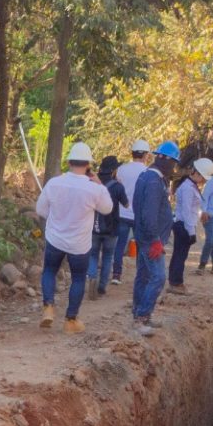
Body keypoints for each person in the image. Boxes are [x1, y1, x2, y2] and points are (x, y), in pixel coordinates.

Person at [35, 142, 113, 332]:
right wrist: (100, 185)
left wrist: (56, 220)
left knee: (49, 271)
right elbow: (107, 208)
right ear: (88, 165)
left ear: (69, 162)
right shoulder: (94, 189)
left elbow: (40, 210)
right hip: (79, 244)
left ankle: (48, 307)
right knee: (78, 278)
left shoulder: (54, 183)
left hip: (55, 239)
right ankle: (70, 320)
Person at [129, 141, 177, 336]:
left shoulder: (146, 176)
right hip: (150, 239)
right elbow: (149, 214)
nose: (173, 167)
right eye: (173, 162)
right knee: (158, 277)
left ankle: (139, 315)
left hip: (144, 235)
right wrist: (155, 239)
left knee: (144, 275)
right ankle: (142, 317)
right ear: (165, 159)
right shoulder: (154, 182)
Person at [87, 155, 130, 299]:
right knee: (107, 256)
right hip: (112, 228)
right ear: (113, 170)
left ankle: (92, 277)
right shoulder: (117, 186)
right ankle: (101, 287)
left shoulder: (91, 182)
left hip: (93, 226)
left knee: (93, 255)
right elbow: (126, 205)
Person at [168, 158, 213, 293]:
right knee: (180, 255)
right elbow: (187, 211)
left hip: (185, 224)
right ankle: (176, 283)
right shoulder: (188, 188)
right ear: (197, 173)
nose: (204, 181)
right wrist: (191, 232)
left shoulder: (191, 186)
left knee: (180, 254)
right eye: (203, 177)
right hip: (183, 225)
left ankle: (175, 282)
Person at [111, 139, 151, 285]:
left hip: (122, 212)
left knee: (120, 245)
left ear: (132, 153)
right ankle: (141, 275)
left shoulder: (121, 169)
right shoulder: (147, 172)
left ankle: (116, 274)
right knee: (141, 245)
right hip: (138, 214)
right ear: (145, 155)